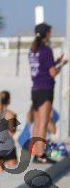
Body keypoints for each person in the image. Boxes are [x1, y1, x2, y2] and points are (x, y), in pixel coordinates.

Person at [28, 22, 68, 163]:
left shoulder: (33, 49)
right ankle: (41, 155)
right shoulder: (46, 50)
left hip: (35, 90)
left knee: (37, 123)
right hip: (45, 90)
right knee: (43, 124)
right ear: (47, 34)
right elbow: (52, 73)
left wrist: (55, 61)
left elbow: (43, 66)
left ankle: (35, 153)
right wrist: (61, 65)